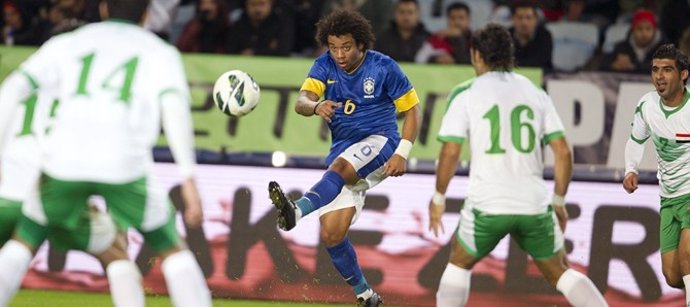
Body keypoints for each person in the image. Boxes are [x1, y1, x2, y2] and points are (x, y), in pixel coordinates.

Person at [0, 1, 212, 306]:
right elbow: (174, 108)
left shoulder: (67, 43)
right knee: (170, 249)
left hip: (62, 164)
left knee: (25, 240)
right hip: (124, 165)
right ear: (147, 15)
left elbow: (11, 89)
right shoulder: (160, 52)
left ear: (102, 9)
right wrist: (188, 177)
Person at [429, 23, 608, 307]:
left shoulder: (466, 93)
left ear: (476, 55)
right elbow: (562, 152)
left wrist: (438, 197)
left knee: (459, 261)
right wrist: (559, 201)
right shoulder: (535, 92)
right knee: (561, 271)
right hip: (533, 205)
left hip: (487, 205)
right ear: (510, 54)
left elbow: (450, 151)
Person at [268, 9, 421, 307]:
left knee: (341, 169)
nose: (339, 54)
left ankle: (297, 210)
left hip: (380, 142)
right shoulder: (324, 65)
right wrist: (316, 106)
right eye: (333, 46)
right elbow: (301, 102)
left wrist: (403, 152)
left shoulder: (384, 67)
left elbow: (412, 110)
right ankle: (366, 296)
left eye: (346, 47)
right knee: (332, 234)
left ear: (361, 44)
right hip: (344, 151)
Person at [0, 89, 145, 307]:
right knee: (116, 252)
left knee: (14, 253)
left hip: (7, 197)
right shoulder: (83, 100)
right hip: (56, 196)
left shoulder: (13, 93)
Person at [623, 43, 690, 306]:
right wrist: (631, 169)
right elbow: (636, 140)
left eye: (667, 70)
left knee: (687, 258)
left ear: (683, 74)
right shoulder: (647, 105)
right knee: (673, 275)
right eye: (655, 70)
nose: (659, 77)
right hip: (669, 198)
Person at [601, 8, 667, 74]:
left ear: (654, 31)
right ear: (633, 30)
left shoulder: (664, 49)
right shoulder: (622, 47)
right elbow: (602, 66)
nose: (644, 33)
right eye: (639, 29)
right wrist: (614, 65)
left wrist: (634, 66)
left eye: (648, 29)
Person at [509, 2, 553, 70]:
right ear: (513, 19)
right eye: (520, 17)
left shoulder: (545, 36)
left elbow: (542, 62)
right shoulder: (506, 36)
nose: (524, 22)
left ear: (536, 20)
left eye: (528, 18)